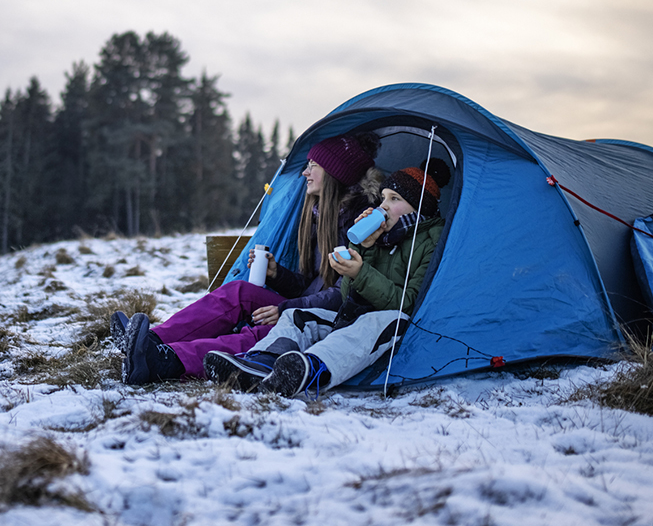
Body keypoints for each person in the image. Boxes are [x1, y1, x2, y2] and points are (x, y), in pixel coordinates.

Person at [117, 132, 386, 385]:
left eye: (313, 165)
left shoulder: (361, 224)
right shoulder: (319, 214)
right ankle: (151, 340)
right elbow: (312, 282)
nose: (305, 172)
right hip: (303, 305)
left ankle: (166, 362)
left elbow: (342, 295)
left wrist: (286, 308)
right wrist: (276, 274)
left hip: (329, 320)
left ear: (333, 173)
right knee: (238, 292)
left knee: (266, 333)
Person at [204, 158, 450, 397]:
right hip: (354, 318)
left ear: (419, 208)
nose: (383, 206)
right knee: (295, 316)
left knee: (384, 320)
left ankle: (311, 369)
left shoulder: (432, 241)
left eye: (394, 199)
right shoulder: (383, 238)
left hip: (392, 329)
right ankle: (260, 363)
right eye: (383, 197)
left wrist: (360, 272)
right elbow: (348, 297)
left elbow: (407, 304)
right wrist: (365, 248)